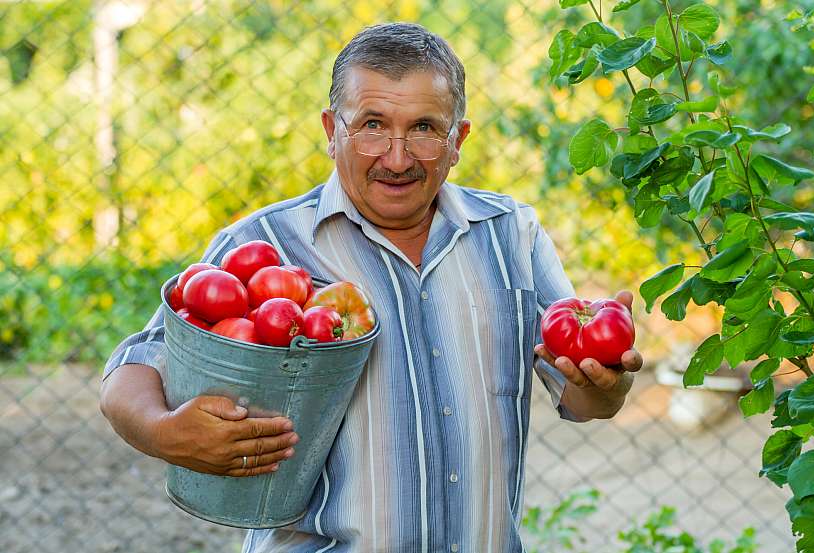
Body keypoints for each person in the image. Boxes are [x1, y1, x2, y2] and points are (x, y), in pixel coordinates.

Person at [100, 22, 643, 552]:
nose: (398, 157)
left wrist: (606, 383)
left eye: (426, 129)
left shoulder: (511, 234)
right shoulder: (266, 245)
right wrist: (163, 432)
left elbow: (583, 396)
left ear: (459, 140)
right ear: (331, 131)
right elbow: (135, 365)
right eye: (372, 125)